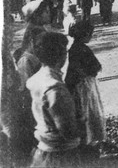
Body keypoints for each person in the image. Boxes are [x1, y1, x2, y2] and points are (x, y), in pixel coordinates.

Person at [27, 32, 82, 167]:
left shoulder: (37, 78)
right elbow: (68, 131)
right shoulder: (55, 88)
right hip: (61, 154)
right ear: (61, 54)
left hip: (44, 148)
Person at [66, 21, 106, 165]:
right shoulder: (82, 49)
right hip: (83, 87)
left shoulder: (73, 49)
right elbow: (95, 67)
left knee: (84, 114)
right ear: (85, 35)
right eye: (90, 34)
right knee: (87, 113)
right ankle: (88, 143)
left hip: (78, 85)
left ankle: (86, 141)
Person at [10, 26, 45, 166]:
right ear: (31, 40)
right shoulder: (26, 60)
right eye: (40, 41)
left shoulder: (36, 57)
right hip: (31, 106)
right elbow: (25, 88)